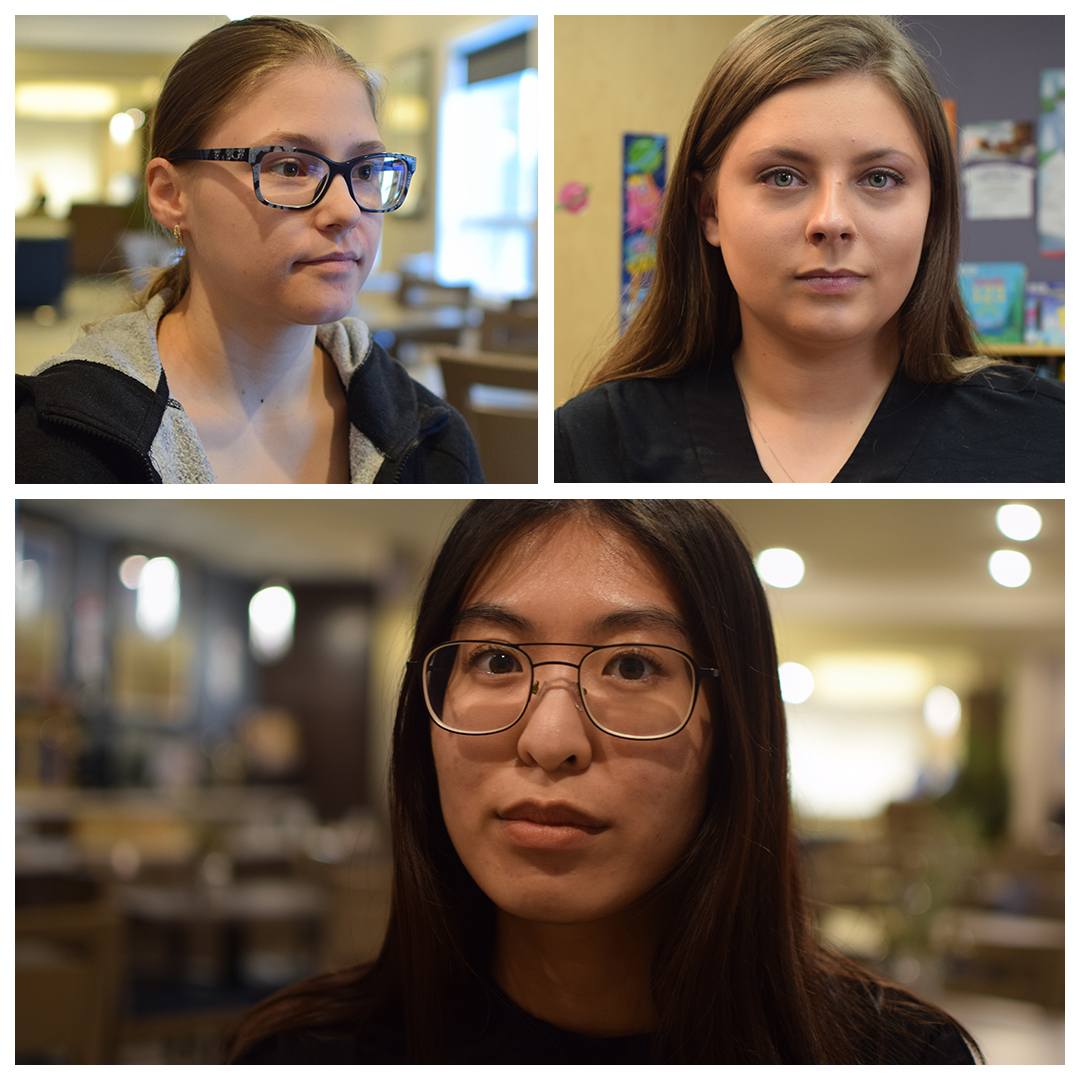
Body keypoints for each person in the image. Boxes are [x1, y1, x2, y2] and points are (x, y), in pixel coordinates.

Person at [224, 499, 980, 1064]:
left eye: (632, 665)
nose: (550, 741)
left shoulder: (897, 1059)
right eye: (494, 660)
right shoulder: (301, 1056)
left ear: (735, 730)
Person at [554, 16, 1064, 483]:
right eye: (782, 177)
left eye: (880, 178)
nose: (831, 222)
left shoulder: (1051, 439)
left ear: (933, 211)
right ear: (709, 209)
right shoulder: (589, 447)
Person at [16, 17, 483, 484]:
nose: (346, 210)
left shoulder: (435, 444)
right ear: (170, 195)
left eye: (365, 170)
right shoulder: (48, 444)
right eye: (290, 165)